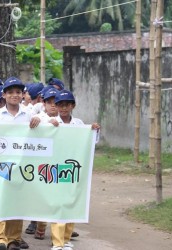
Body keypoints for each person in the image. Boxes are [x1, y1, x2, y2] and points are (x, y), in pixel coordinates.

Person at [0, 77, 40, 250]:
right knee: (1, 200)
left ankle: (14, 239)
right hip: (0, 164)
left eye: (18, 92)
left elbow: (45, 133)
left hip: (22, 165)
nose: (14, 95)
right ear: (4, 95)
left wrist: (43, 123)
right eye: (11, 92)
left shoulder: (30, 115)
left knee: (17, 201)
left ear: (23, 95)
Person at [49, 89, 100, 250]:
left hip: (73, 168)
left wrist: (94, 130)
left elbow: (90, 142)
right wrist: (50, 127)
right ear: (56, 106)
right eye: (60, 105)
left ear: (73, 106)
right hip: (56, 168)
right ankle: (57, 241)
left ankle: (66, 238)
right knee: (58, 203)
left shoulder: (78, 124)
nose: (64, 108)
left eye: (67, 105)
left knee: (71, 201)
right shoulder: (50, 122)